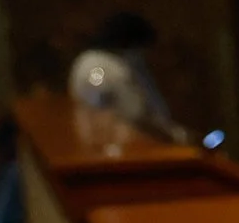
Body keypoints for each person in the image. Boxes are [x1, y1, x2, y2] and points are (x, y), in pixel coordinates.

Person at [67, 13, 184, 141]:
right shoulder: (115, 69)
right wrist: (175, 136)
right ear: (131, 44)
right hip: (124, 142)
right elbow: (136, 115)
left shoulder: (85, 60)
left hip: (90, 137)